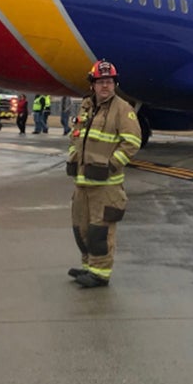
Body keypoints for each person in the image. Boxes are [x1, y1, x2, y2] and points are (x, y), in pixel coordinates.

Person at [65, 61, 142, 288]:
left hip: (106, 186)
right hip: (82, 182)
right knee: (81, 229)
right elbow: (75, 137)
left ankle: (100, 273)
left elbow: (132, 142)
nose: (105, 86)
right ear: (93, 85)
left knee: (100, 231)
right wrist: (73, 157)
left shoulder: (122, 109)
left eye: (109, 82)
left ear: (114, 84)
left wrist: (111, 165)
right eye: (101, 82)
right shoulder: (87, 107)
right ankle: (89, 266)